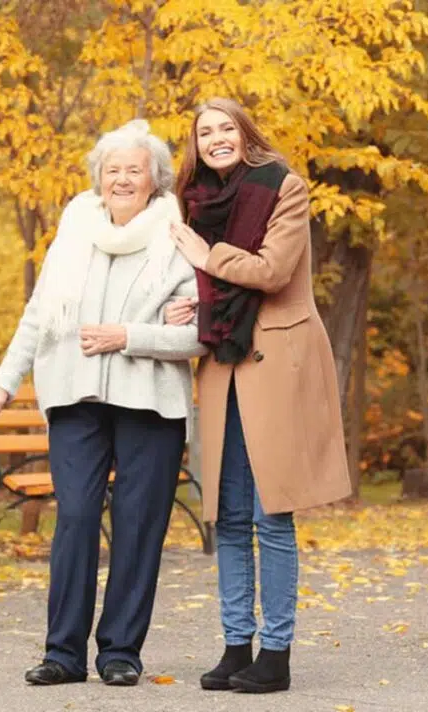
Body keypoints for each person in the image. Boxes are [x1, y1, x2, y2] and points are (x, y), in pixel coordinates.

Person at [0, 119, 206, 687]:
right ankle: (63, 653)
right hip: (74, 396)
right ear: (98, 178)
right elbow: (38, 315)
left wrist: (128, 336)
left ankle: (121, 650)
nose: (122, 179)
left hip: (150, 402)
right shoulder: (74, 229)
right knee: (76, 517)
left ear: (155, 180)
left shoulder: (179, 238)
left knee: (138, 524)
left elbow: (202, 336)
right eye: (112, 169)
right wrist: (3, 382)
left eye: (134, 170)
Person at [166, 98, 353, 694]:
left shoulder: (284, 187)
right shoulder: (196, 201)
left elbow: (272, 272)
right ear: (195, 145)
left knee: (273, 514)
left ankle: (276, 655)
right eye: (205, 133)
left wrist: (205, 257)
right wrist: (196, 303)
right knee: (227, 513)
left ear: (245, 135)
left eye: (226, 129)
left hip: (277, 359)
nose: (216, 139)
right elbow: (219, 284)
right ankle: (234, 645)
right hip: (225, 361)